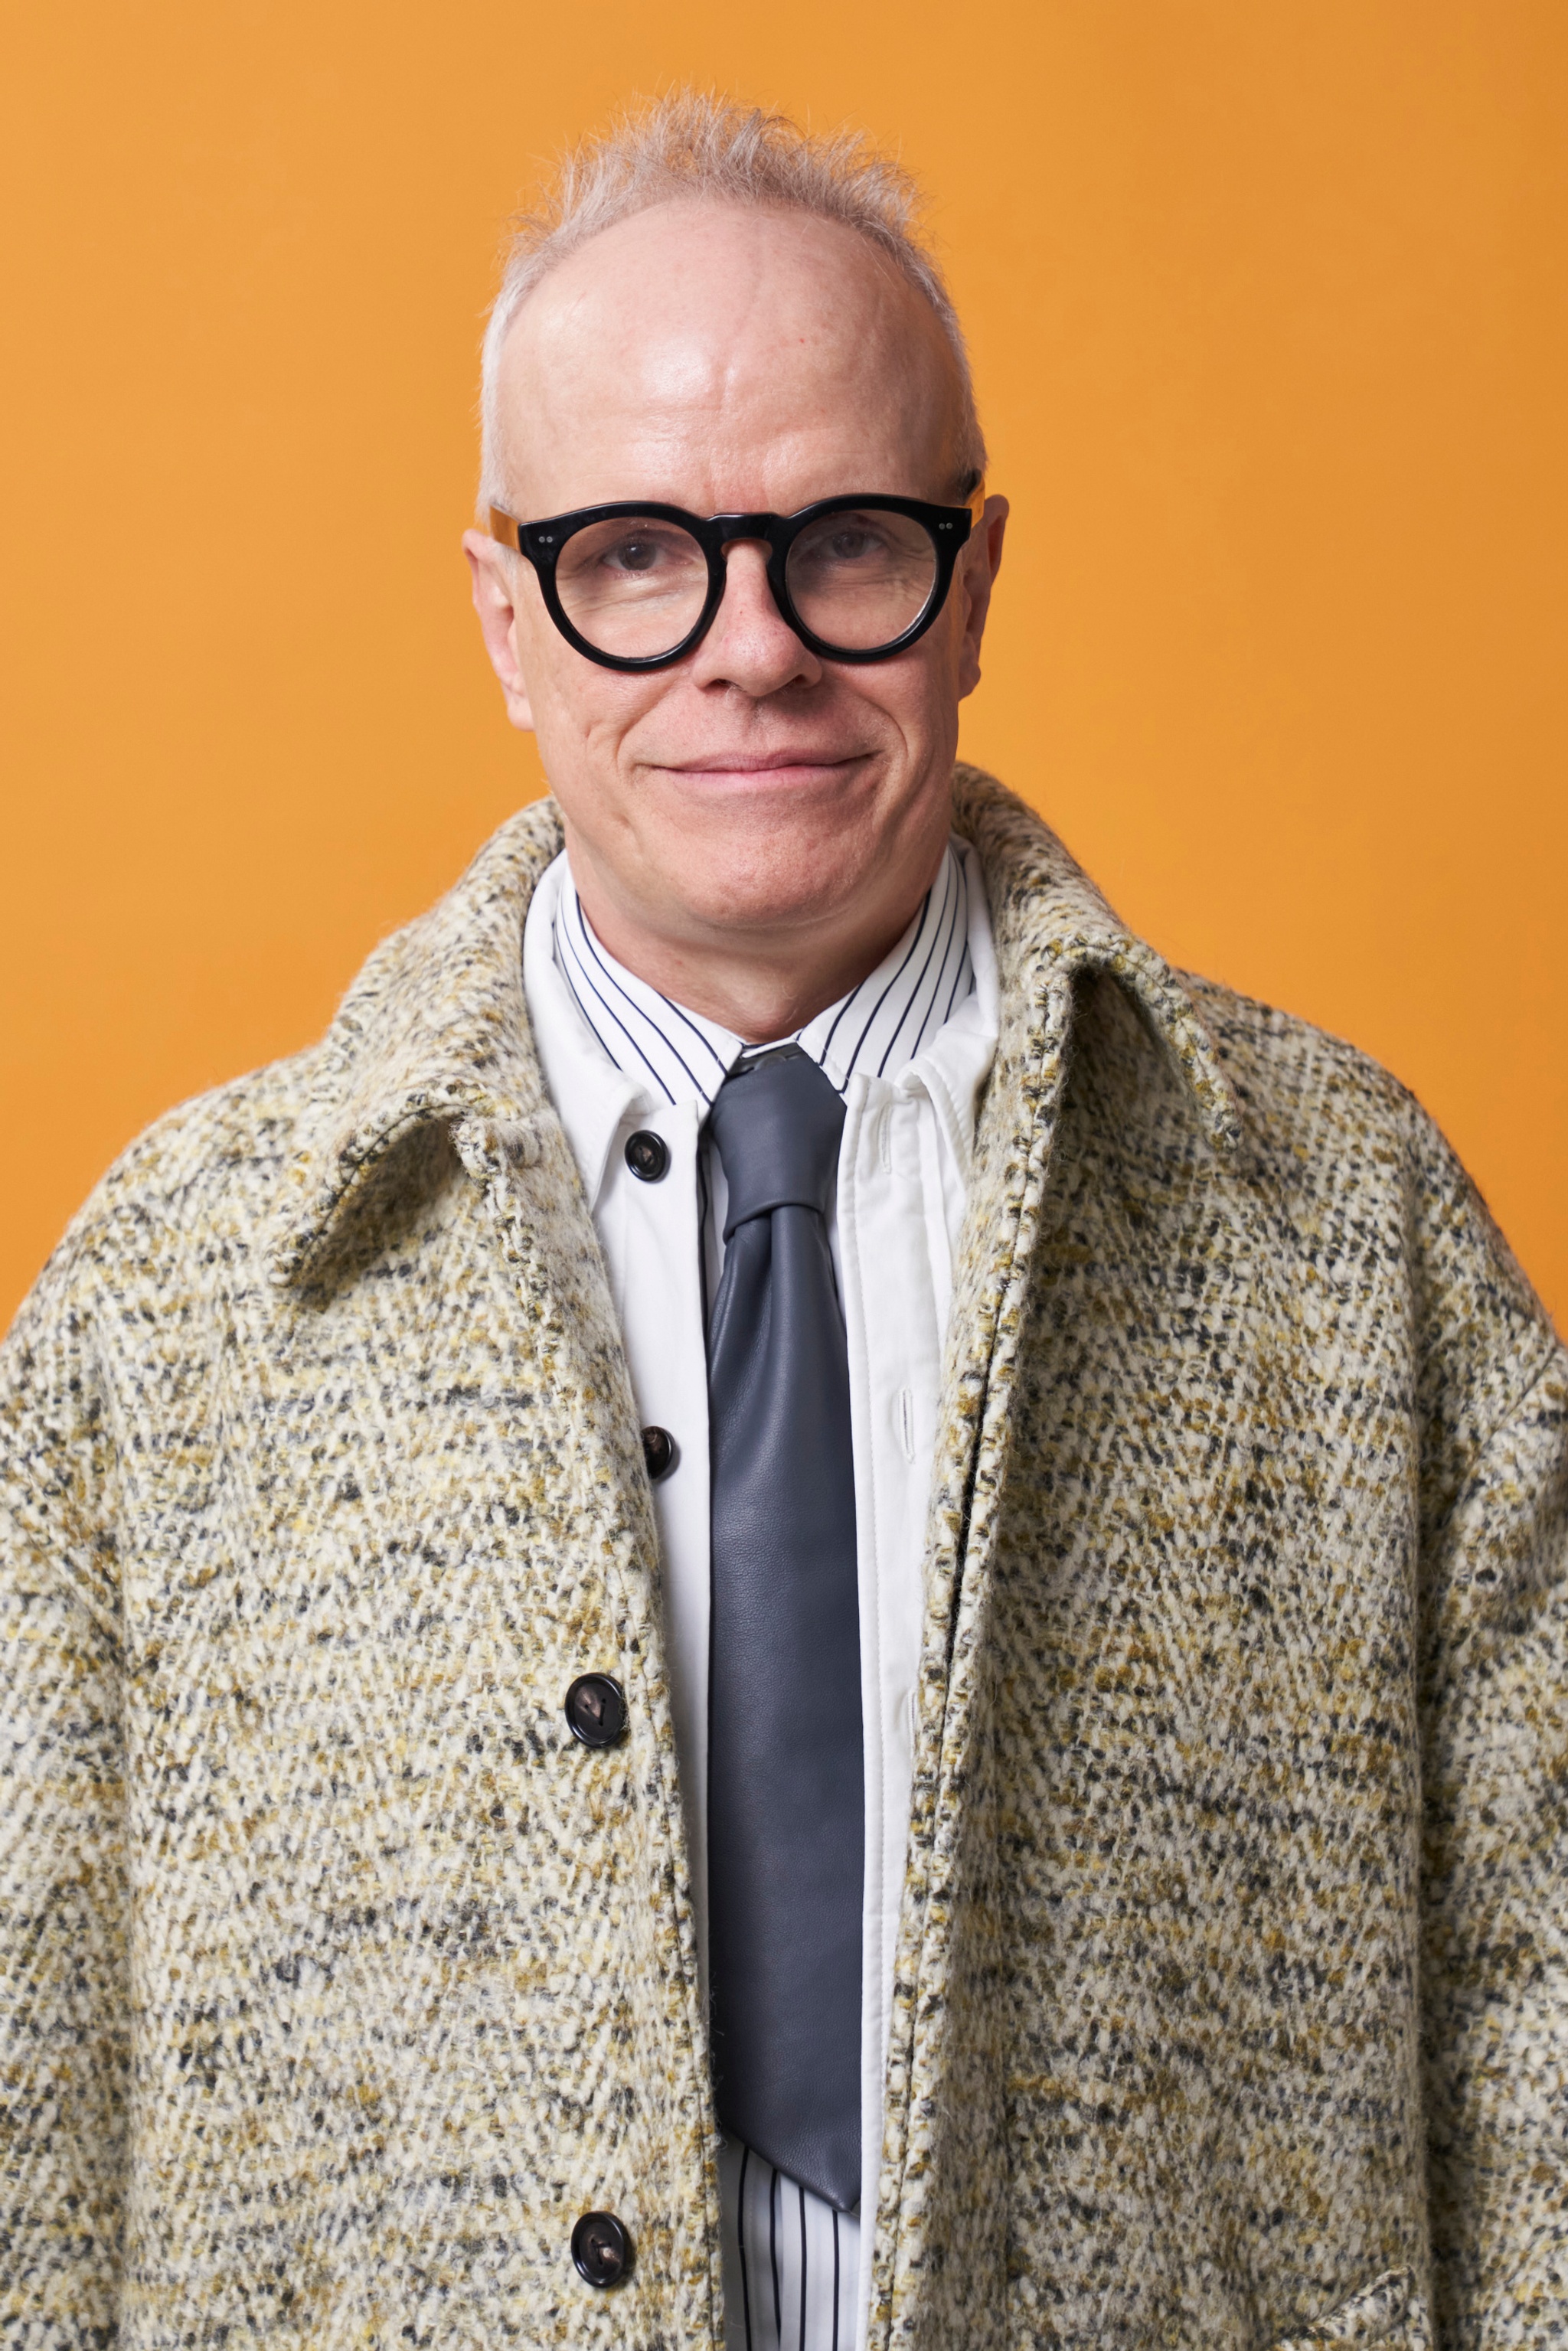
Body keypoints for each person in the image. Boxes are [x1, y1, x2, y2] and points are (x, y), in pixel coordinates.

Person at [1, 90, 1563, 2351]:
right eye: (635, 553)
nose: (750, 650)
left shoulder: (1353, 1235)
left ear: (977, 579)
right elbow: (32, 2124)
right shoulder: (174, 1300)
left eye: (843, 541)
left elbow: (1535, 2051)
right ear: (504, 614)